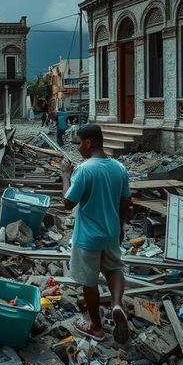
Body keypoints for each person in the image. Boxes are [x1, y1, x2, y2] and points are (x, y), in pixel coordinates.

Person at [59, 124, 133, 343]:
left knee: (89, 282)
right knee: (115, 269)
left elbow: (67, 203)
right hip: (111, 233)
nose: (78, 148)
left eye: (79, 143)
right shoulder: (119, 168)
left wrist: (66, 175)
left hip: (88, 238)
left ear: (89, 143)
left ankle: (96, 327)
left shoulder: (84, 169)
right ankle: (117, 303)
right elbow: (126, 202)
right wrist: (120, 228)